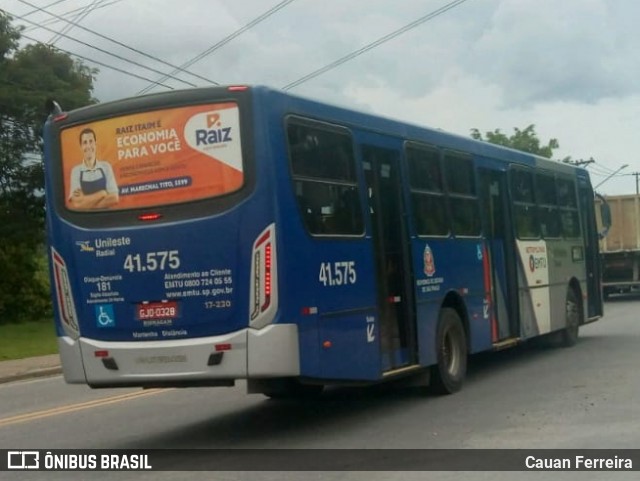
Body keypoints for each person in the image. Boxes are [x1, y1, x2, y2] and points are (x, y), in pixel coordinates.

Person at [69, 128, 119, 209]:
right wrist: (102, 193)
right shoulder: (76, 171)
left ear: (95, 144)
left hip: (107, 219)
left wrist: (85, 203)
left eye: (91, 141)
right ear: (81, 146)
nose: (88, 146)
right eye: (85, 142)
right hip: (85, 221)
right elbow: (77, 204)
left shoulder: (106, 167)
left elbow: (114, 198)